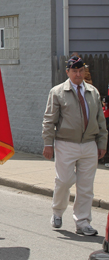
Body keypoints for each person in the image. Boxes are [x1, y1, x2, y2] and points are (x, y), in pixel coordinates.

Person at [42, 55, 107, 236]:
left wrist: (101, 143)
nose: (78, 74)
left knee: (86, 186)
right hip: (65, 143)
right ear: (68, 72)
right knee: (64, 181)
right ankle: (57, 211)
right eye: (74, 71)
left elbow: (100, 120)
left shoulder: (93, 92)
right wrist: (48, 143)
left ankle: (83, 221)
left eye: (81, 71)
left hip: (89, 144)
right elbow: (49, 120)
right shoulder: (57, 92)